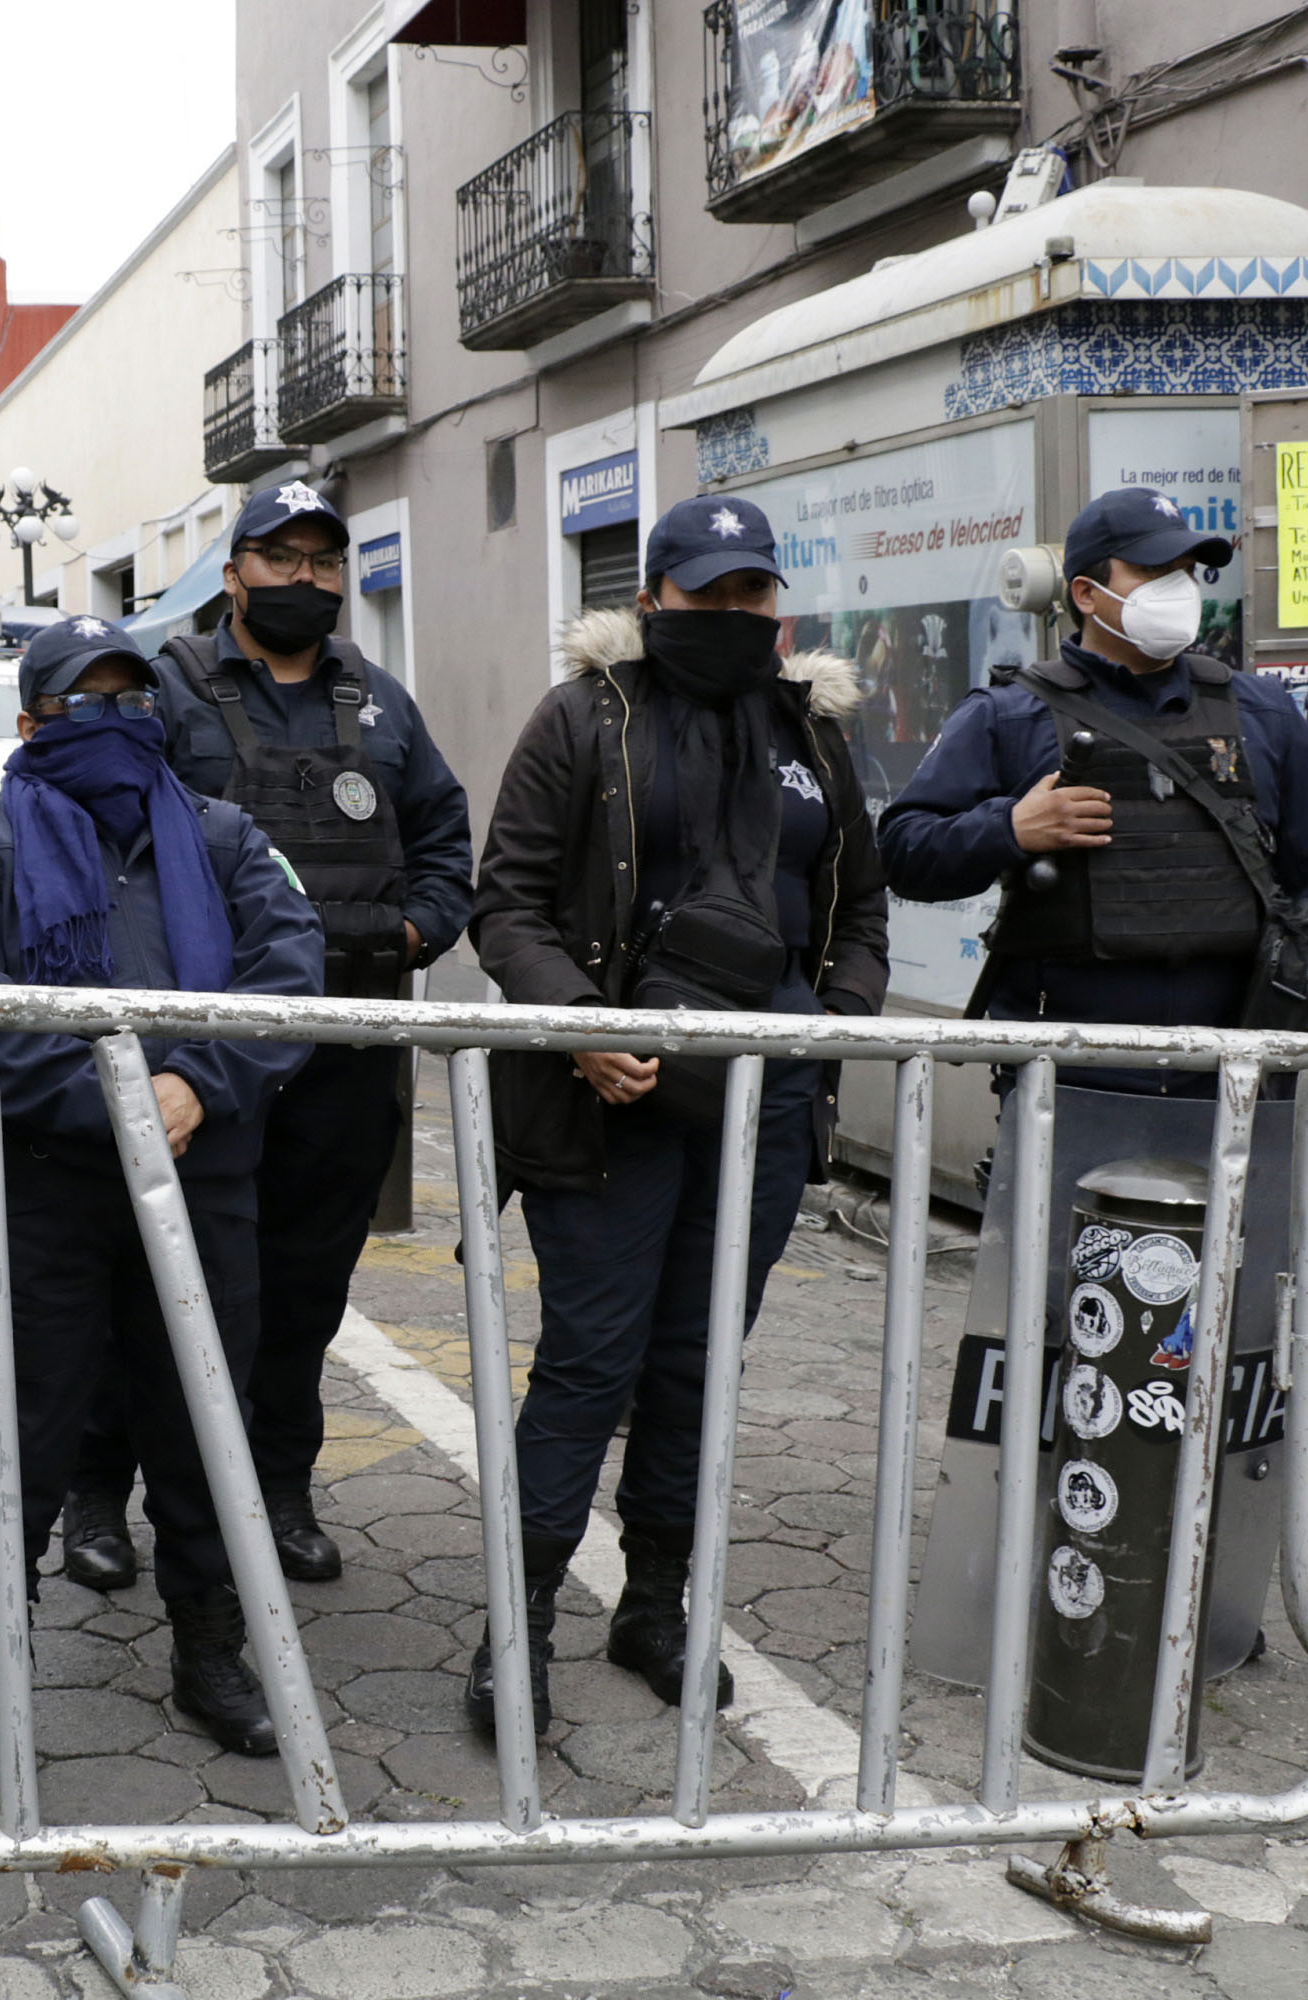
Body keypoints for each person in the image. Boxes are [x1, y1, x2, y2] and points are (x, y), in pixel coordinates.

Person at [467, 497, 889, 1736]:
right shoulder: (583, 719)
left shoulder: (813, 730)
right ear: (651, 602)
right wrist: (581, 1028)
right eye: (703, 595)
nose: (727, 615)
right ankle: (516, 1624)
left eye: (750, 594)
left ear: (779, 609)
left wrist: (834, 1028)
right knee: (590, 1364)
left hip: (760, 1110)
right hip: (612, 1104)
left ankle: (655, 1604)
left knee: (698, 1364)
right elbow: (508, 906)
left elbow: (857, 904)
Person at [0, 615, 324, 1791]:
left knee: (205, 1422)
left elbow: (289, 973)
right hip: (45, 1189)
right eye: (84, 700)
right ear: (32, 722)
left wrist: (197, 1084)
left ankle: (210, 1650)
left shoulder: (227, 837)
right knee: (24, 1435)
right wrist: (124, 1102)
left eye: (133, 696)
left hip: (208, 1180)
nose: (116, 718)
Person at [60, 480, 475, 1593]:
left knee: (303, 1283)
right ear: (233, 570)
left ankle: (277, 1487)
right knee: (145, 1267)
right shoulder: (167, 690)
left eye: (322, 562)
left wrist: (419, 923)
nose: (305, 580)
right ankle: (98, 1489)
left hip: (345, 1043)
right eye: (280, 559)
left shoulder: (381, 701)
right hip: (207, 1047)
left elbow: (444, 832)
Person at [878, 487, 1308, 1076]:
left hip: (1244, 1062)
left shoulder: (1264, 714)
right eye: (1152, 570)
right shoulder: (1008, 717)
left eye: (1186, 570)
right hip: (1069, 1070)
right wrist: (1011, 828)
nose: (1178, 586)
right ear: (1086, 594)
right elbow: (902, 853)